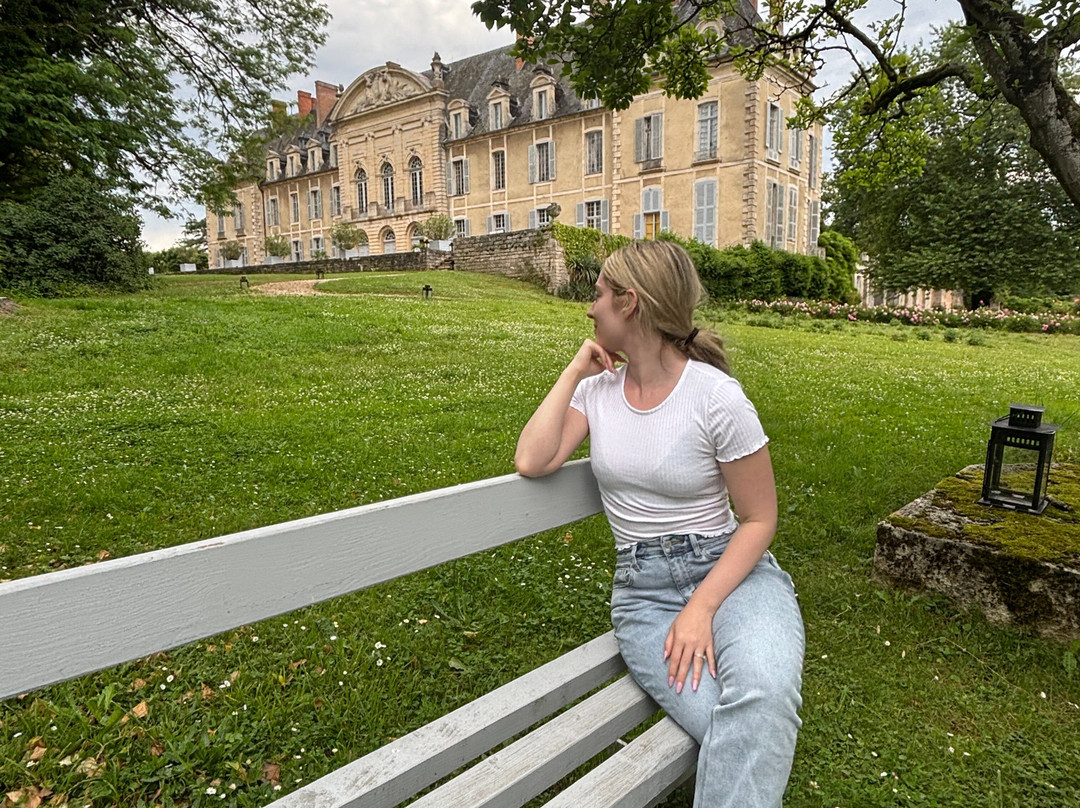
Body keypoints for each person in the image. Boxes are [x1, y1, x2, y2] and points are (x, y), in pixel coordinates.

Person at [515, 240, 804, 808]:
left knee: (762, 700)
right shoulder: (597, 393)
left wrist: (701, 609)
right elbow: (532, 458)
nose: (589, 307)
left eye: (599, 294)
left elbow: (759, 518)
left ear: (629, 303)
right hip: (644, 597)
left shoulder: (716, 396)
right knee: (740, 724)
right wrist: (575, 369)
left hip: (733, 577)